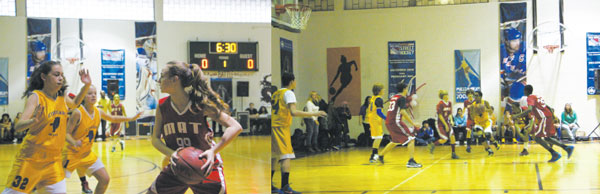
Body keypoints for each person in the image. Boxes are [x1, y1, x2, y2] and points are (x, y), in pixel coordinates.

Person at [147, 61, 242, 194]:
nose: (159, 80)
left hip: (205, 165)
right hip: (178, 166)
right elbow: (155, 139)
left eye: (162, 76)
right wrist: (172, 153)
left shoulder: (199, 104)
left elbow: (235, 127)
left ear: (175, 80)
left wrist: (213, 151)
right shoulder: (162, 106)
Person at [3, 60, 91, 194]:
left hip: (53, 162)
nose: (60, 78)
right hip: (31, 160)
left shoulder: (62, 97)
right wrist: (32, 121)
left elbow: (74, 104)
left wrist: (86, 85)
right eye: (56, 74)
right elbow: (18, 126)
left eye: (62, 74)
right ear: (44, 77)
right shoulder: (36, 97)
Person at [64, 85, 142, 194]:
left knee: (105, 179)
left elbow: (113, 118)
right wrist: (74, 142)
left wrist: (131, 118)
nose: (93, 96)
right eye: (89, 93)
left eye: (95, 93)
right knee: (55, 185)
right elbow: (66, 133)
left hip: (86, 154)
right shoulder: (78, 113)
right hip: (70, 154)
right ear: (83, 97)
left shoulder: (98, 112)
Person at [271, 73, 326, 194]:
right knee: (286, 156)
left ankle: (270, 185)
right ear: (291, 81)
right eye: (295, 80)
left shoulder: (276, 93)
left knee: (274, 155)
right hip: (281, 127)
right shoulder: (289, 93)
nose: (295, 82)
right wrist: (314, 114)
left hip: (273, 126)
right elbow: (294, 112)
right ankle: (285, 186)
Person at [513, 85, 574, 162]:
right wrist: (552, 115)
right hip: (547, 117)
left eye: (524, 90)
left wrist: (516, 116)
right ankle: (566, 148)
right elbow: (547, 106)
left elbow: (529, 109)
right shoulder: (537, 97)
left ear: (526, 91)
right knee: (546, 138)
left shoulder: (530, 98)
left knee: (537, 138)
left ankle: (555, 153)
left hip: (543, 118)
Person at [378, 83, 423, 167]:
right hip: (395, 122)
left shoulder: (394, 97)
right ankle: (411, 161)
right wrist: (413, 123)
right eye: (406, 88)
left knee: (395, 141)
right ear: (404, 89)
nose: (407, 90)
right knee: (411, 138)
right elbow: (403, 111)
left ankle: (380, 156)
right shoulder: (402, 98)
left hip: (389, 122)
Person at [500, 28, 527, 101]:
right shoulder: (502, 51)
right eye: (514, 41)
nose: (518, 43)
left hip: (521, 81)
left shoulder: (524, 48)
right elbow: (500, 74)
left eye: (518, 40)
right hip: (508, 83)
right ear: (507, 42)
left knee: (517, 94)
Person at [470, 91, 500, 156]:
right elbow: (472, 117)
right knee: (479, 136)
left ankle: (495, 142)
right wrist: (475, 112)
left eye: (477, 95)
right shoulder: (472, 105)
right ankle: (489, 150)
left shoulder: (485, 102)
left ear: (480, 96)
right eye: (474, 96)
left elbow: (491, 111)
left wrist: (484, 109)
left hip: (486, 122)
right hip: (478, 123)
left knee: (487, 135)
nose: (475, 97)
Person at [432, 90, 459, 159]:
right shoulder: (440, 104)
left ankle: (453, 153)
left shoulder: (449, 103)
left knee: (452, 137)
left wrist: (452, 121)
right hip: (439, 123)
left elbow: (450, 114)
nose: (447, 96)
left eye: (447, 95)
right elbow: (440, 116)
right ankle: (433, 145)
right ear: (442, 97)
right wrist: (445, 125)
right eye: (445, 95)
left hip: (447, 121)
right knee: (445, 139)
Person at [367, 83, 386, 163]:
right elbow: (378, 112)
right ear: (379, 91)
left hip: (372, 119)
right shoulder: (379, 99)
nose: (384, 90)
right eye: (383, 89)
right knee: (379, 137)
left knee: (377, 137)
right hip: (375, 119)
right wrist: (386, 118)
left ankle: (374, 154)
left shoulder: (373, 98)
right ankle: (373, 155)